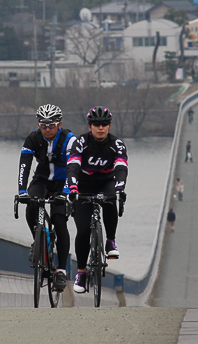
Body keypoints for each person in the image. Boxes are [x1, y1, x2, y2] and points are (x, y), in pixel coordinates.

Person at [67, 106, 128, 294]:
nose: (100, 128)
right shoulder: (80, 142)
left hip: (106, 183)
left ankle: (110, 240)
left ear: (109, 126)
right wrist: (73, 187)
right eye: (96, 124)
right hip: (84, 185)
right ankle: (82, 273)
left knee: (110, 200)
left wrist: (119, 187)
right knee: (83, 230)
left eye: (104, 124)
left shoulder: (116, 144)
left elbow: (121, 167)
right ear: (90, 126)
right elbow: (73, 166)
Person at [17, 104, 77, 292]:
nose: (47, 130)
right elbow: (24, 165)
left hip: (63, 183)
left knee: (60, 222)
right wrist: (21, 191)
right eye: (43, 126)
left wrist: (66, 193)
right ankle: (38, 239)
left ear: (59, 124)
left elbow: (72, 168)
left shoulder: (69, 139)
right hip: (41, 181)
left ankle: (61, 271)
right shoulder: (33, 138)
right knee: (31, 207)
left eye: (51, 125)